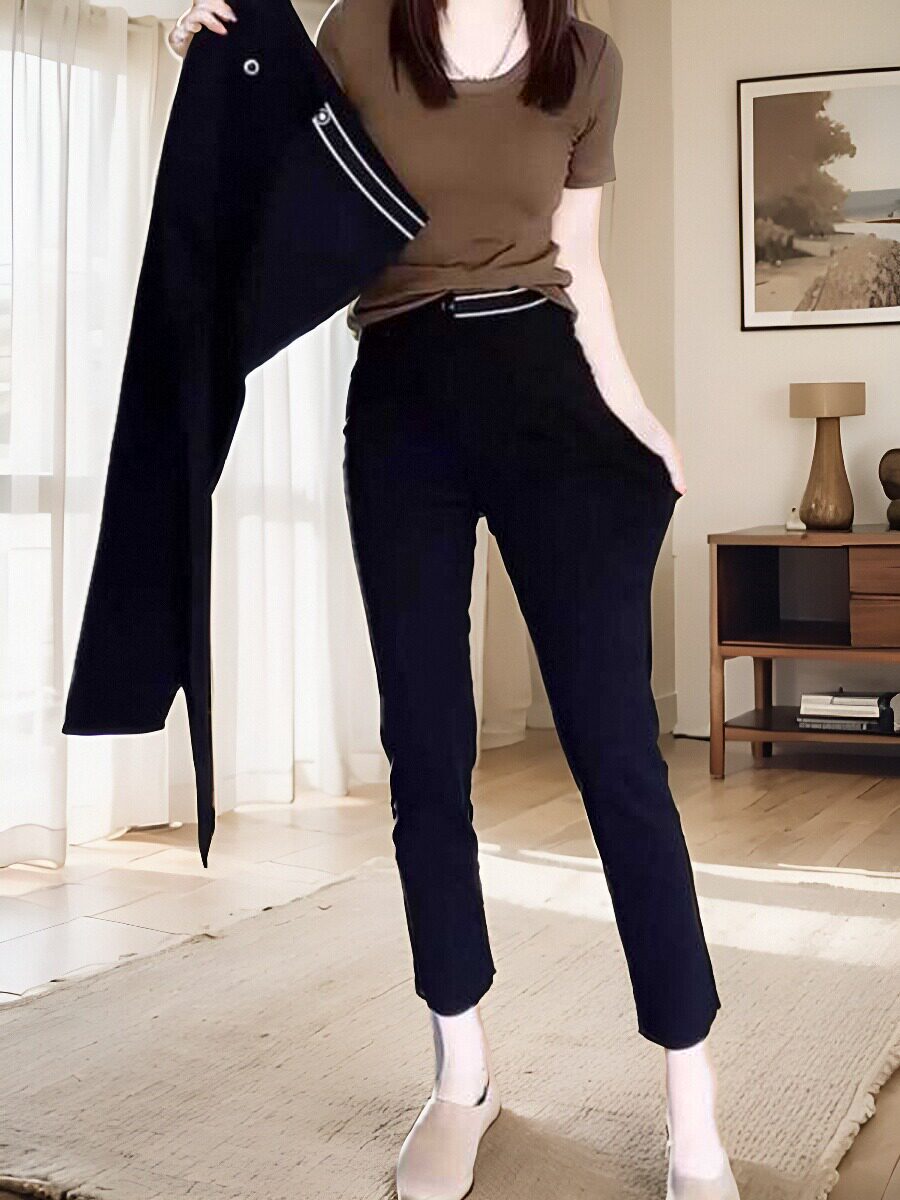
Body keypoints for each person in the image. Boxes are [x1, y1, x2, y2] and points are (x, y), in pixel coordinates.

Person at [168, 2, 740, 1198]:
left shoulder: (587, 60)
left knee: (618, 754)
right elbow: (275, 198)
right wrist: (219, 66)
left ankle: (693, 1111)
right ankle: (461, 1077)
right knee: (427, 753)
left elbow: (583, 267)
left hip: (551, 393)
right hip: (402, 400)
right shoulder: (360, 32)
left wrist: (638, 416)